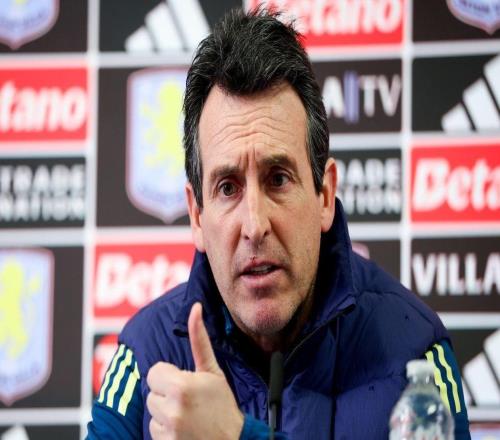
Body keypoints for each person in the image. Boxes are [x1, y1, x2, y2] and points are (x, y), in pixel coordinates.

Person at [87, 8, 470, 439]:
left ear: (324, 195)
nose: (254, 225)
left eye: (278, 179)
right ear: (196, 215)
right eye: (228, 188)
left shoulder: (416, 352)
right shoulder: (147, 352)